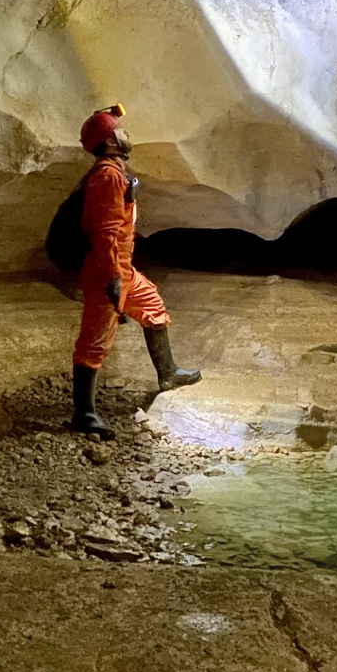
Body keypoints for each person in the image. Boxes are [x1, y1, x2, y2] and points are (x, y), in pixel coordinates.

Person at [71, 103, 201, 437]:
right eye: (119, 130)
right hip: (107, 272)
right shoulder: (108, 176)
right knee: (95, 340)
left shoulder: (115, 171)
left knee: (152, 305)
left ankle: (168, 372)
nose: (126, 133)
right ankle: (84, 414)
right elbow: (104, 233)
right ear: (110, 141)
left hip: (122, 268)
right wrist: (112, 279)